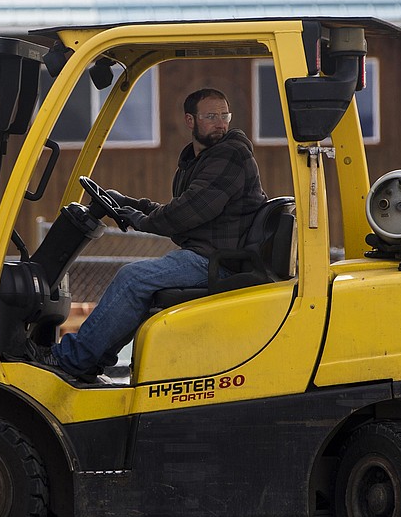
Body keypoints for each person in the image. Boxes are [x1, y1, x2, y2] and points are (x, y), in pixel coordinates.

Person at [35, 87, 268, 382]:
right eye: (211, 116)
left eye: (225, 115)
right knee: (139, 278)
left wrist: (140, 220)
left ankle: (73, 360)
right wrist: (128, 203)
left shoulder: (229, 155)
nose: (221, 123)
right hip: (208, 255)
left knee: (134, 277)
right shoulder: (200, 160)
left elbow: (187, 212)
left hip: (218, 262)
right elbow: (181, 208)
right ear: (190, 120)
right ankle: (90, 359)